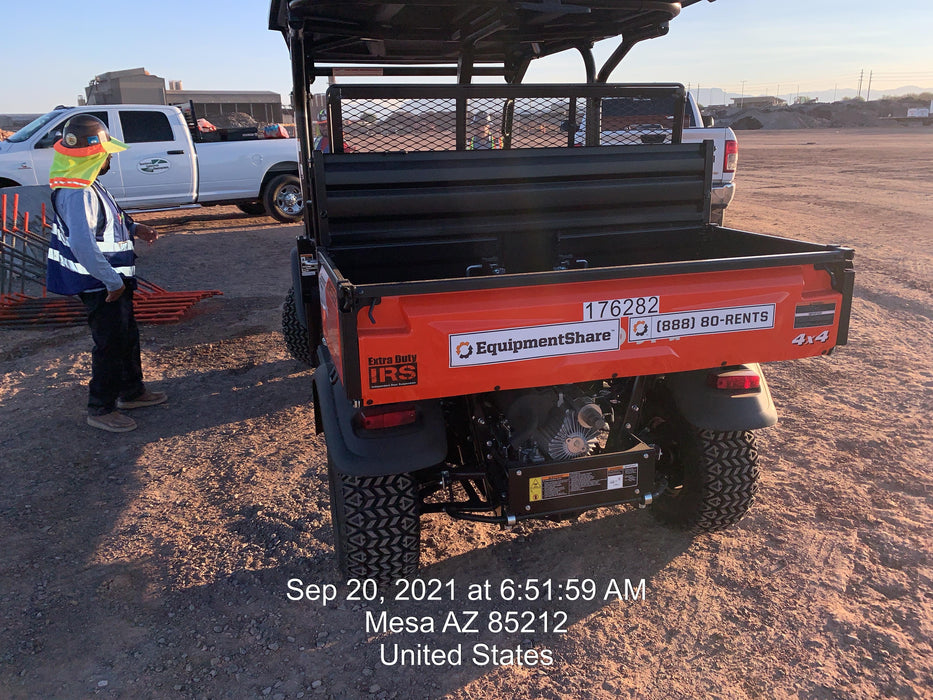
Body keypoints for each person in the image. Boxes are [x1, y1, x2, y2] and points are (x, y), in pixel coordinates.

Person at [45, 114, 166, 433]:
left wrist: (135, 227)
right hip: (101, 283)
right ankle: (101, 407)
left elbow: (107, 218)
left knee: (126, 336)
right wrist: (112, 282)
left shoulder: (86, 183)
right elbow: (83, 244)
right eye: (107, 152)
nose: (111, 156)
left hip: (112, 281)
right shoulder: (78, 192)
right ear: (93, 155)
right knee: (110, 342)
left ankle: (131, 391)